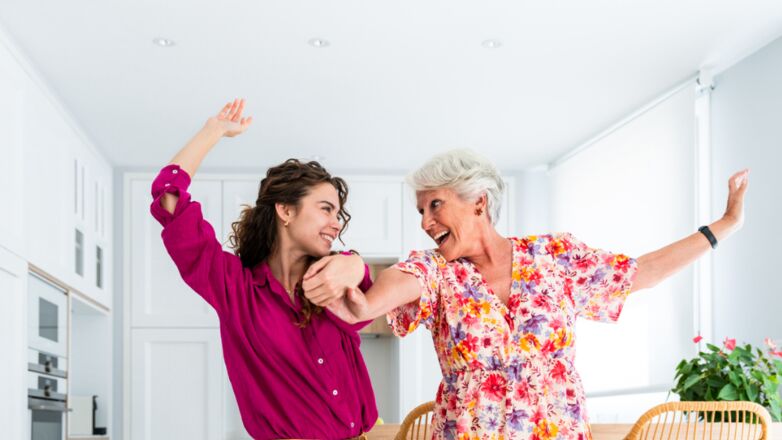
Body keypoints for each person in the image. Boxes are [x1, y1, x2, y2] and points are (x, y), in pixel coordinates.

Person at [306, 149, 749, 440]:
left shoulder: (553, 256)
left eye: (435, 205)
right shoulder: (436, 269)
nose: (425, 221)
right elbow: (380, 295)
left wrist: (724, 225)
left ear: (478, 202)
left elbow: (642, 272)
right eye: (420, 210)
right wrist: (352, 284)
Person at [150, 98, 377, 440]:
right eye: (326, 209)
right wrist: (213, 132)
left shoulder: (334, 278)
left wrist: (357, 265)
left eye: (338, 214)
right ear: (286, 211)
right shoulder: (234, 289)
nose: (336, 224)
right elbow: (169, 199)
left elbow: (369, 310)